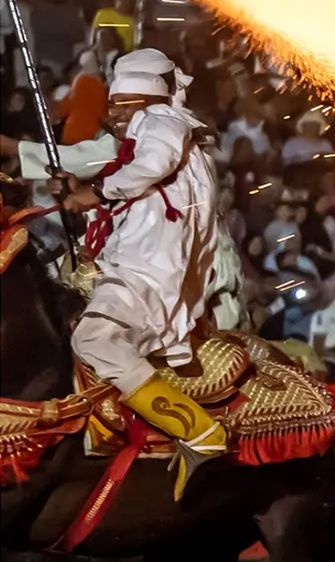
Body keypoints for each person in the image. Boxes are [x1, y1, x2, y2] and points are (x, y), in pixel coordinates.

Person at [57, 53, 222, 498]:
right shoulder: (147, 129)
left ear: (140, 100)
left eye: (118, 108)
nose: (112, 117)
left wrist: (96, 192)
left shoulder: (162, 119)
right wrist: (78, 190)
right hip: (139, 266)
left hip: (147, 273)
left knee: (91, 340)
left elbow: (152, 166)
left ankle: (201, 434)